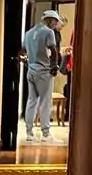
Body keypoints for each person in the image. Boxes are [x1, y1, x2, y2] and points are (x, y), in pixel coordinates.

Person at [23, 9, 63, 141]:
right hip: (44, 71)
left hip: (31, 70)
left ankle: (29, 133)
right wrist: (54, 67)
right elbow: (53, 50)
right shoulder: (48, 32)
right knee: (45, 102)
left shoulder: (28, 33)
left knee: (31, 100)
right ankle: (45, 134)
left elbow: (22, 51)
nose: (55, 25)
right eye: (55, 22)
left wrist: (29, 62)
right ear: (50, 20)